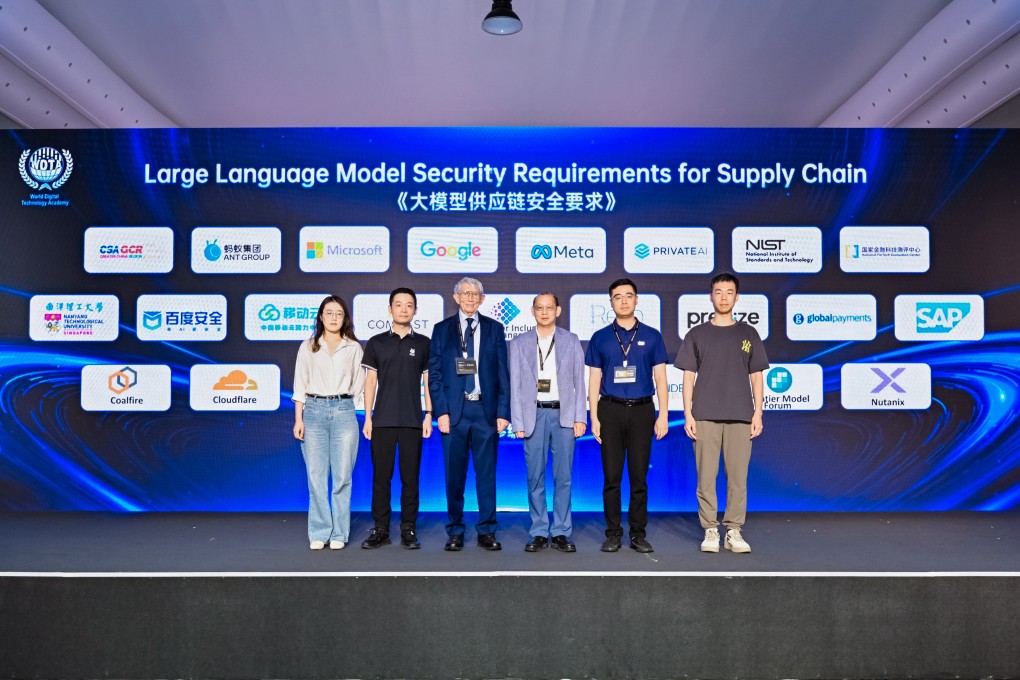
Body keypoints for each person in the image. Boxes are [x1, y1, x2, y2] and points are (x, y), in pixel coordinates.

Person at [675, 272, 768, 554]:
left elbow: (756, 377)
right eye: (718, 292)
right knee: (706, 477)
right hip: (704, 415)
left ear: (737, 297)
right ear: (711, 296)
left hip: (741, 415)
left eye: (729, 292)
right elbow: (688, 377)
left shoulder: (748, 333)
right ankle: (711, 530)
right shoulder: (697, 334)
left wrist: (758, 413)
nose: (724, 297)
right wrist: (688, 415)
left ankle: (735, 531)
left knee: (738, 478)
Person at [585, 278, 669, 554]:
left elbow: (660, 378)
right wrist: (594, 417)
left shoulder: (652, 335)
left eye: (628, 296)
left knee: (638, 477)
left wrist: (664, 414)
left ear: (636, 300)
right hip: (609, 410)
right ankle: (613, 533)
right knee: (611, 477)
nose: (623, 301)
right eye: (617, 296)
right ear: (610, 302)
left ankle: (637, 533)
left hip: (643, 410)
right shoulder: (600, 337)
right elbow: (594, 379)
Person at [428, 277, 511, 551]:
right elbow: (435, 375)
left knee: (486, 475)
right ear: (456, 297)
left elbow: (502, 373)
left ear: (482, 299)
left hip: (485, 412)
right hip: (454, 413)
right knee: (454, 475)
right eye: (465, 294)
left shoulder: (495, 328)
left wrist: (503, 411)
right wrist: (440, 411)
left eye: (475, 294)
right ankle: (455, 530)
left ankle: (487, 530)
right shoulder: (441, 330)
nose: (470, 298)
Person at [509, 292, 587, 553]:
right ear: (532, 311)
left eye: (549, 307)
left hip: (563, 416)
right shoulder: (519, 343)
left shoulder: (571, 340)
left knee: (563, 477)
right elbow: (515, 386)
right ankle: (540, 530)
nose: (544, 312)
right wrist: (517, 421)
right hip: (534, 416)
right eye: (539, 308)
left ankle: (562, 531)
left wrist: (580, 418)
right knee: (535, 477)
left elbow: (579, 382)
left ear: (558, 310)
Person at [360, 288, 433, 550]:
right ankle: (380, 529)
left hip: (413, 421)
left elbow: (428, 382)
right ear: (389, 309)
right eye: (398, 304)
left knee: (410, 477)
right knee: (381, 477)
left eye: (409, 305)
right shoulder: (376, 342)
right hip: (382, 421)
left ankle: (408, 529)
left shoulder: (424, 343)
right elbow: (370, 382)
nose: (404, 309)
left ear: (415, 310)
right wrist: (368, 417)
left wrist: (429, 415)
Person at [292, 295, 365, 551]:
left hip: (344, 410)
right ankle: (320, 531)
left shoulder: (354, 348)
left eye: (339, 314)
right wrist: (298, 418)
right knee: (316, 476)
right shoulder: (309, 346)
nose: (334, 318)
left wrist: (349, 405)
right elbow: (300, 384)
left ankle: (339, 533)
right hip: (313, 412)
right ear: (321, 316)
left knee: (343, 476)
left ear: (345, 318)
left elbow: (359, 383)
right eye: (329, 312)